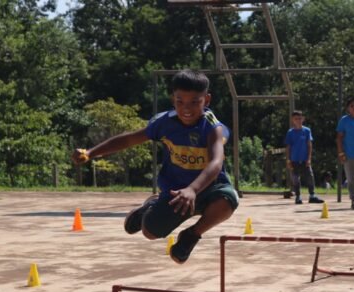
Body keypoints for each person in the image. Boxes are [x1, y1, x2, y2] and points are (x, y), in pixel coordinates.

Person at [71, 70, 238, 264]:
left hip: (208, 188)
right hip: (176, 192)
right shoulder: (164, 123)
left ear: (206, 100)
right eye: (180, 101)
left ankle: (191, 235)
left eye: (194, 102)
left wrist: (193, 189)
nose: (186, 108)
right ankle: (149, 207)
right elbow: (129, 139)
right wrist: (91, 152)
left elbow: (216, 163)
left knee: (229, 200)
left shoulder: (213, 128)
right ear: (173, 99)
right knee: (150, 233)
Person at [285, 111, 323, 204]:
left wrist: (309, 158)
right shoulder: (290, 132)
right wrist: (288, 160)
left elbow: (309, 145)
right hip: (294, 159)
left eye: (299, 118)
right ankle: (298, 196)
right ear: (292, 120)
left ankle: (312, 195)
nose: (298, 121)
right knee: (295, 179)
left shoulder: (306, 131)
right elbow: (288, 147)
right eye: (296, 119)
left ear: (303, 119)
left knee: (310, 176)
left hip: (305, 159)